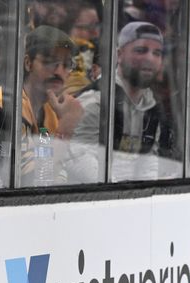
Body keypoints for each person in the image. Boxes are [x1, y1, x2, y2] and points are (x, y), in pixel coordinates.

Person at [67, 21, 173, 183]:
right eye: (140, 50)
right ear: (119, 54)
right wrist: (120, 195)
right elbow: (77, 158)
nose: (150, 58)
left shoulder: (150, 106)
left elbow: (149, 161)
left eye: (157, 53)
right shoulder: (95, 100)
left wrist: (144, 197)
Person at [0, 25, 83, 186]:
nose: (59, 71)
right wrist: (65, 130)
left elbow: (53, 174)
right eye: (50, 61)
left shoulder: (50, 109)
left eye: (66, 64)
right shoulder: (5, 106)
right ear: (28, 63)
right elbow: (26, 182)